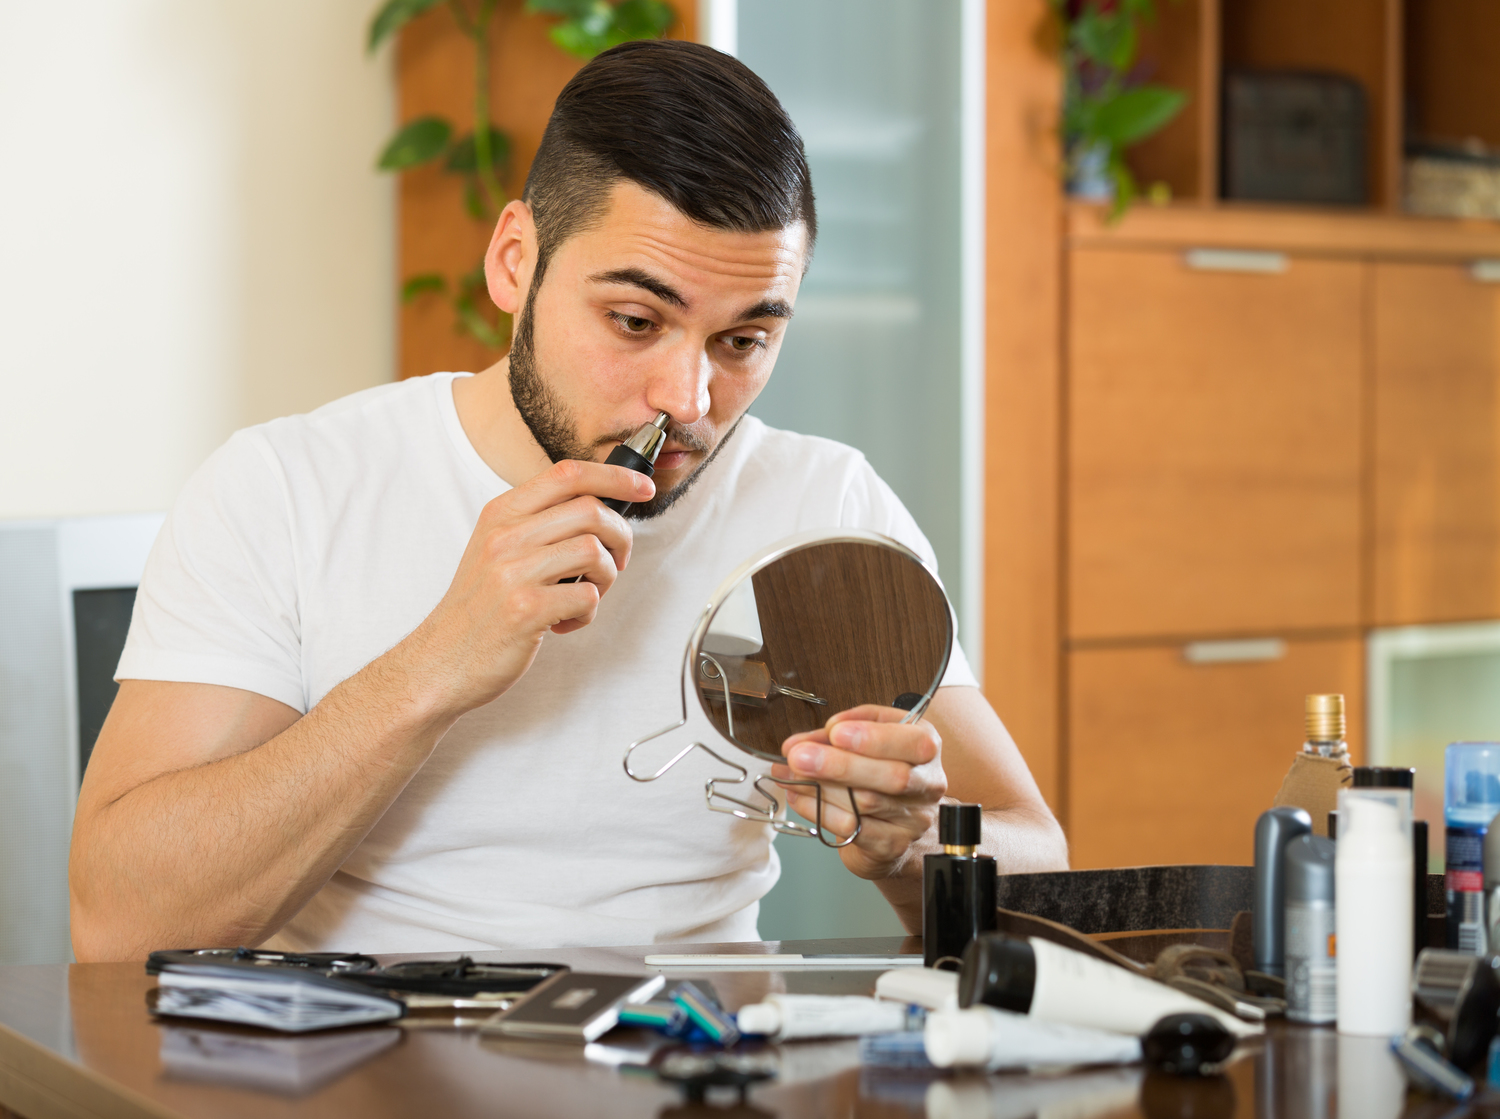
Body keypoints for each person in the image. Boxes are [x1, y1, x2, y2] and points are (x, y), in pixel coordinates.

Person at [69, 40, 1066, 962]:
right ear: (516, 262)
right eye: (635, 319)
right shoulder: (291, 487)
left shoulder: (820, 504)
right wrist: (433, 669)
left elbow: (1040, 870)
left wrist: (912, 844)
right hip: (369, 1068)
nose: (688, 400)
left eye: (745, 340)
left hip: (705, 1068)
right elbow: (120, 924)